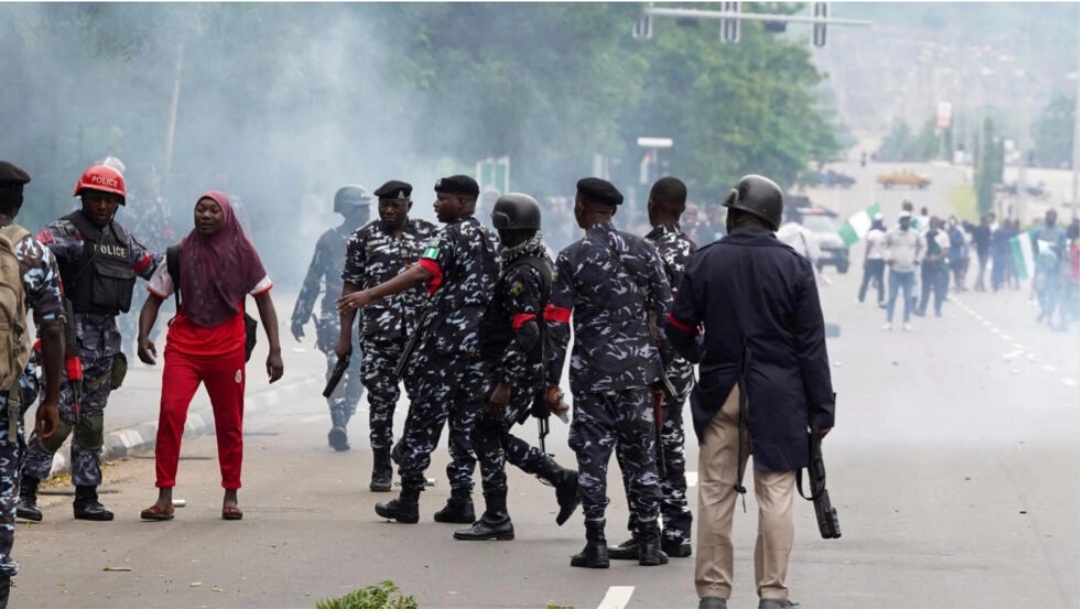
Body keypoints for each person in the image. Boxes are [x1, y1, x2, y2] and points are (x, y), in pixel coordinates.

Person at [663, 174, 835, 610]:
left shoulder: (705, 260)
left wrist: (703, 352)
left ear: (738, 214)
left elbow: (678, 327)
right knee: (775, 494)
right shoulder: (794, 265)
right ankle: (773, 594)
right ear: (772, 217)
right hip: (780, 396)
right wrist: (821, 408)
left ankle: (714, 594)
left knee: (716, 492)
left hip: (722, 390)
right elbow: (811, 344)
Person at [337, 175, 498, 524]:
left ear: (463, 202)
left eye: (443, 199)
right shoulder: (491, 236)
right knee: (464, 422)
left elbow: (424, 272)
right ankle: (462, 498)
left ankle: (408, 498)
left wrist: (370, 294)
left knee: (423, 419)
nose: (436, 204)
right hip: (478, 345)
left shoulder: (446, 235)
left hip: (445, 344)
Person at [17, 163, 162, 523]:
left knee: (92, 421)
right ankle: (26, 488)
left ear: (118, 203)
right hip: (66, 339)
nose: (101, 206)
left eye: (109, 200)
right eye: (95, 198)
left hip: (105, 341)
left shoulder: (121, 239)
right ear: (83, 197)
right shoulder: (66, 232)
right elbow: (29, 258)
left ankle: (86, 496)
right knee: (61, 416)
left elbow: (155, 268)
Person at [545, 177, 672, 569]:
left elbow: (555, 323)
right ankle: (650, 541)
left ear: (581, 207)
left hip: (593, 375)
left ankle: (596, 543)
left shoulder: (570, 257)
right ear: (612, 210)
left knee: (592, 459)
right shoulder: (645, 250)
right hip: (639, 375)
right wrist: (660, 372)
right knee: (642, 459)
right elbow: (667, 316)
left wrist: (551, 381)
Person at [135, 190, 284, 521]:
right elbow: (155, 298)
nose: (204, 215)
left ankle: (231, 494)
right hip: (184, 346)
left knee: (229, 422)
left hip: (228, 347)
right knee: (171, 413)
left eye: (212, 211)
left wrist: (275, 350)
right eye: (199, 209)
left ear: (226, 216)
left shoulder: (245, 252)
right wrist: (143, 335)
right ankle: (164, 496)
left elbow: (264, 301)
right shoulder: (179, 253)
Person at [452, 193, 579, 542]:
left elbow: (527, 331)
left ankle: (498, 515)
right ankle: (559, 479)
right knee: (488, 433)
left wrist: (505, 382)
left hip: (516, 372)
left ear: (509, 229)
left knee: (483, 432)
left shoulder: (521, 272)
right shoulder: (539, 262)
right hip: (527, 369)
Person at [609, 176, 696, 561]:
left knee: (639, 448)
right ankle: (677, 530)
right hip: (681, 366)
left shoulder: (644, 250)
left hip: (647, 365)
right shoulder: (695, 250)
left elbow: (637, 313)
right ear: (682, 208)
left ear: (651, 204)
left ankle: (645, 528)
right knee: (671, 444)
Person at [336, 180, 436, 491]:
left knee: (424, 402)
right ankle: (381, 466)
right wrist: (344, 337)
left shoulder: (430, 234)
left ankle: (405, 451)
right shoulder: (362, 238)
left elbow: (440, 276)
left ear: (409, 205)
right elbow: (351, 287)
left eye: (395, 205)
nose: (388, 210)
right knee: (381, 402)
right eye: (384, 205)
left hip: (420, 334)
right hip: (379, 333)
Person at [0, 161, 64, 608]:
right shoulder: (33, 253)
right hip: (6, 392)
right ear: (18, 201)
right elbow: (54, 328)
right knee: (3, 488)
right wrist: (52, 400)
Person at [291, 185, 370, 452]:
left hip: (368, 314)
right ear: (347, 210)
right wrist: (299, 316)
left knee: (360, 373)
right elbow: (312, 280)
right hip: (334, 312)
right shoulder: (328, 241)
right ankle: (338, 421)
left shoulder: (376, 239)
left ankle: (343, 421)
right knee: (336, 365)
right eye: (361, 207)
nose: (367, 211)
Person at [882, 210, 924, 332]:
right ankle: (889, 321)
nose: (906, 222)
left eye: (908, 220)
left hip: (909, 270)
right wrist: (887, 257)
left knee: (908, 297)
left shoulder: (915, 234)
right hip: (895, 269)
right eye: (904, 220)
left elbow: (923, 246)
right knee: (892, 297)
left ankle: (906, 322)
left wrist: (918, 259)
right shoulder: (892, 233)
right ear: (900, 221)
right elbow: (881, 244)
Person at [1033, 209, 1067, 327]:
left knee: (1053, 292)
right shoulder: (1038, 231)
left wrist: (1053, 248)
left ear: (1055, 218)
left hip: (1054, 268)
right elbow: (1034, 246)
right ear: (1046, 217)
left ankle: (1049, 314)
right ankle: (1044, 309)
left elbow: (1063, 249)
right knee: (1039, 290)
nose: (1050, 218)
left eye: (1053, 216)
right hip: (1041, 266)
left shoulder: (1061, 232)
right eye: (1048, 215)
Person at [916, 217, 950, 319]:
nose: (933, 225)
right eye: (932, 223)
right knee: (925, 288)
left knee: (938, 288)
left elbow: (946, 250)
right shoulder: (923, 235)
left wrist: (936, 258)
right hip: (926, 265)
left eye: (935, 223)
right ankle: (922, 308)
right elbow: (919, 249)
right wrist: (926, 258)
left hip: (939, 265)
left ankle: (937, 309)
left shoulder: (943, 235)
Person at [856, 213, 886, 306]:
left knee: (866, 279)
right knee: (880, 280)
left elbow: (868, 247)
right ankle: (880, 299)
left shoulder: (871, 233)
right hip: (881, 260)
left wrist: (865, 259)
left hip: (872, 259)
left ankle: (861, 298)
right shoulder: (883, 234)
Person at [972, 213, 993, 292]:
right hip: (985, 249)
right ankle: (979, 284)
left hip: (979, 250)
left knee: (981, 267)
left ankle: (978, 284)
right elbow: (989, 238)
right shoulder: (987, 228)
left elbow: (975, 240)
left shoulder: (977, 229)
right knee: (982, 268)